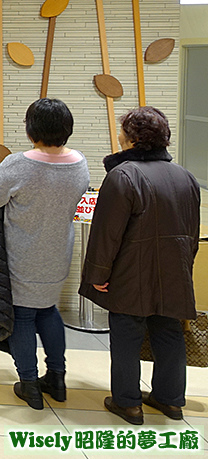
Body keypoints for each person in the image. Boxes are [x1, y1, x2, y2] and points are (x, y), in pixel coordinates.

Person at [81, 107, 201, 425]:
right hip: (175, 271)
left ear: (132, 139)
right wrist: (184, 268)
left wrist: (97, 274)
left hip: (130, 273)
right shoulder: (185, 177)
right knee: (169, 332)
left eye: (123, 131)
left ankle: (128, 402)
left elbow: (106, 233)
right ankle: (170, 400)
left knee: (127, 335)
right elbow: (192, 233)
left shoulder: (123, 175)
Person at [0, 98, 89, 409]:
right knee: (48, 311)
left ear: (31, 130)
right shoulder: (79, 163)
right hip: (59, 252)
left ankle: (29, 383)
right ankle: (57, 379)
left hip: (22, 253)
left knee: (23, 316)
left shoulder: (18, 164)